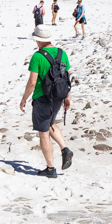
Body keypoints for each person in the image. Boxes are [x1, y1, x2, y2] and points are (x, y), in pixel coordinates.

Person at [20, 25, 73, 178]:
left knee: (43, 132)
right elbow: (66, 77)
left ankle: (51, 169)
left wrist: (24, 99)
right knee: (50, 123)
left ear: (38, 40)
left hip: (42, 98)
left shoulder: (37, 56)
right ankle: (65, 149)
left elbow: (32, 82)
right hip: (59, 95)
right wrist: (67, 96)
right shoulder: (62, 54)